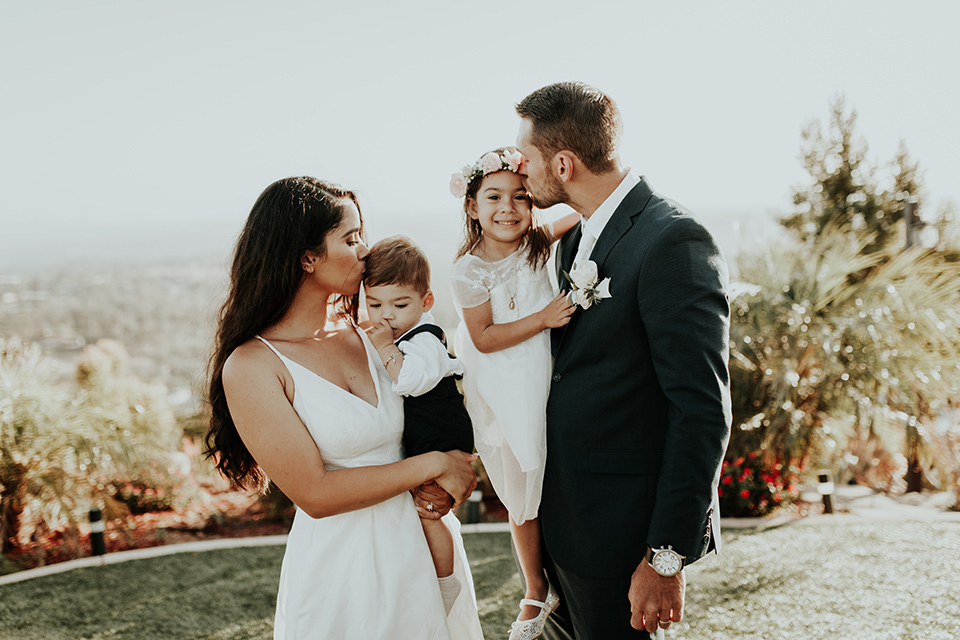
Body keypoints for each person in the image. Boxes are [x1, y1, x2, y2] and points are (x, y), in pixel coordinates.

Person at [204, 177, 480, 640]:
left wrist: (453, 473)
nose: (365, 250)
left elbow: (438, 400)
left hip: (423, 543)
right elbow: (315, 494)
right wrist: (433, 464)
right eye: (351, 239)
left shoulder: (376, 331)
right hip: (345, 571)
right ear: (307, 257)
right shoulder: (252, 365)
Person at [514, 82, 732, 639]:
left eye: (528, 157)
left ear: (563, 164)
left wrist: (666, 557)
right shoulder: (573, 241)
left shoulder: (672, 240)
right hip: (568, 529)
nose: (520, 169)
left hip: (624, 537)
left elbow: (702, 411)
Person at [449, 148, 578, 640]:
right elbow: (483, 336)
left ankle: (566, 567)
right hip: (505, 380)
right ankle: (534, 583)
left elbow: (574, 214)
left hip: (544, 370)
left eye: (521, 197)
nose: (509, 208)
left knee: (552, 469)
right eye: (494, 197)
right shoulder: (468, 270)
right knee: (523, 481)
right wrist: (543, 318)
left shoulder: (538, 241)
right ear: (471, 206)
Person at [362, 235, 480, 633]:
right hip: (428, 438)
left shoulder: (425, 338)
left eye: (400, 305)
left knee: (431, 516)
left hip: (441, 439)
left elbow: (410, 380)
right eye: (375, 304)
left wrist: (383, 347)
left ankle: (445, 585)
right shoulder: (404, 334)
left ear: (425, 302)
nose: (387, 315)